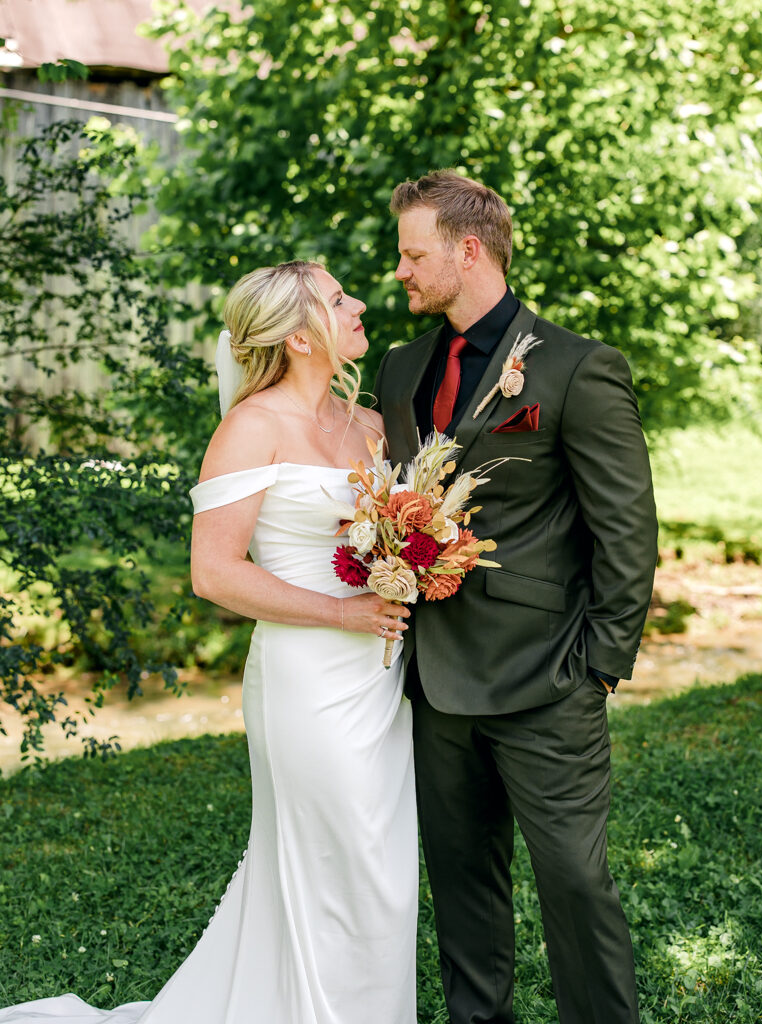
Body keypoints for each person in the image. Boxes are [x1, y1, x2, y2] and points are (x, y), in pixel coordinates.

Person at [0, 261, 417, 1024]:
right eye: (336, 299)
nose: (357, 304)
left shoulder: (370, 423)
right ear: (298, 338)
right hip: (307, 680)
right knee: (338, 856)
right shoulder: (251, 428)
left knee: (381, 866)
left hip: (381, 676)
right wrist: (343, 615)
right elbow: (215, 574)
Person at [375, 171, 659, 1024]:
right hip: (432, 684)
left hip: (546, 683)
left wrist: (599, 666)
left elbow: (627, 531)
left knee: (575, 882)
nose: (401, 271)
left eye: (413, 254)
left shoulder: (578, 368)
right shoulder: (399, 370)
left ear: (468, 251)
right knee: (462, 889)